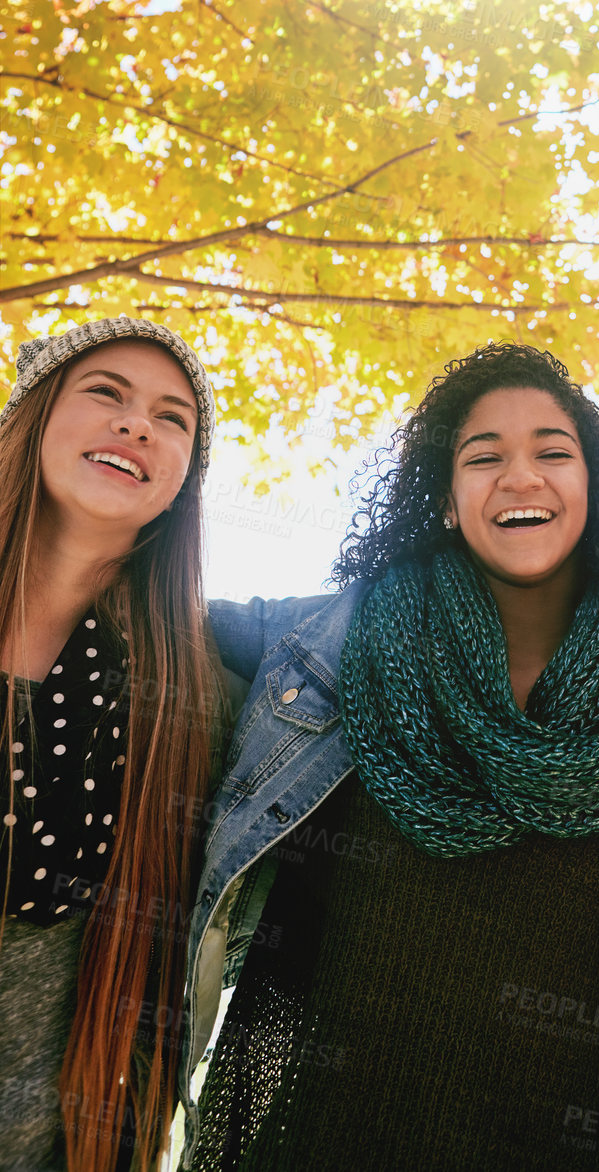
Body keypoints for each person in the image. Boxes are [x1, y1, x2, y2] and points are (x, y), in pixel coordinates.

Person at [180, 342, 599, 1172]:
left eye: (554, 452)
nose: (521, 477)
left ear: (596, 490)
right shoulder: (323, 647)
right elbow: (125, 610)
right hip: (323, 1140)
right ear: (444, 499)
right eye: (484, 457)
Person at [0, 317, 225, 1172]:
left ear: (180, 483)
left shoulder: (194, 696)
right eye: (106, 393)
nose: (139, 424)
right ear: (32, 415)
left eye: (174, 419)